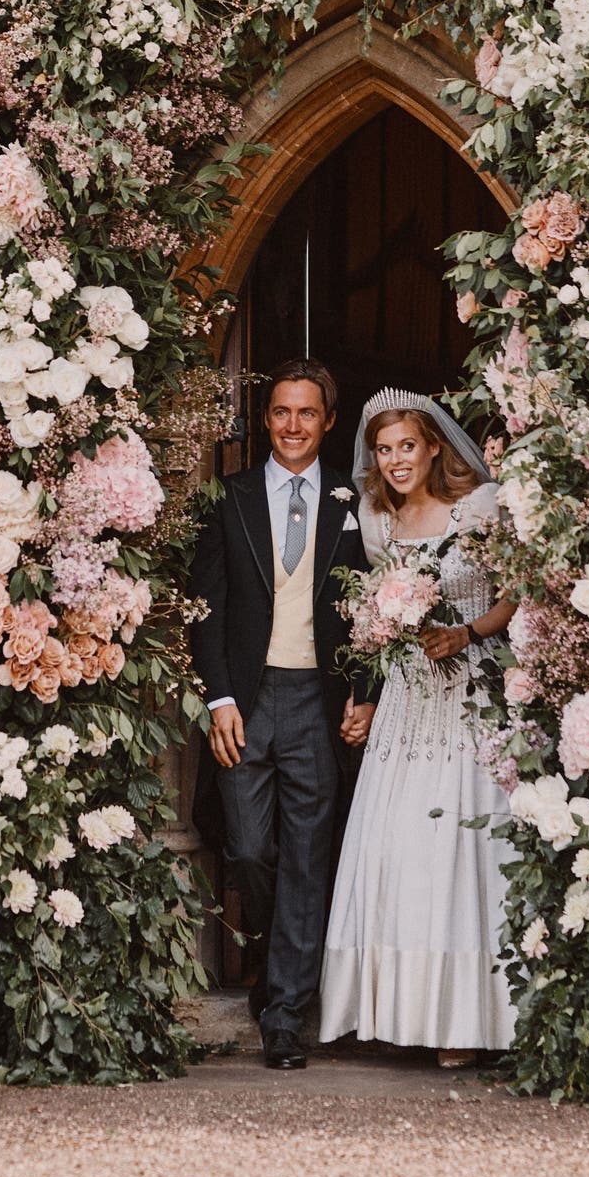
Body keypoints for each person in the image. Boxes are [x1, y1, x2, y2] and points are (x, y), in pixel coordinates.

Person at [319, 388, 517, 1065]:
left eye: (407, 445)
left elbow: (514, 591)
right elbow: (376, 627)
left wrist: (466, 630)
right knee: (399, 847)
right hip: (406, 702)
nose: (396, 459)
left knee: (461, 850)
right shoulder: (378, 520)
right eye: (384, 449)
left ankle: (466, 1020)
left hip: (470, 692)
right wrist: (365, 694)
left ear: (435, 445)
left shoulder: (478, 508)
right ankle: (398, 1009)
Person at [189, 358, 371, 1070]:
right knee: (249, 849)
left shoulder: (354, 503)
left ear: (328, 420)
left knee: (306, 857)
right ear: (266, 420)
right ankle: (272, 958)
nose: (293, 425)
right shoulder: (228, 498)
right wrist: (219, 696)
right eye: (281, 413)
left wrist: (363, 688)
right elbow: (204, 609)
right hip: (247, 697)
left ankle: (286, 1013)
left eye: (307, 413)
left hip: (317, 702)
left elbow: (375, 611)